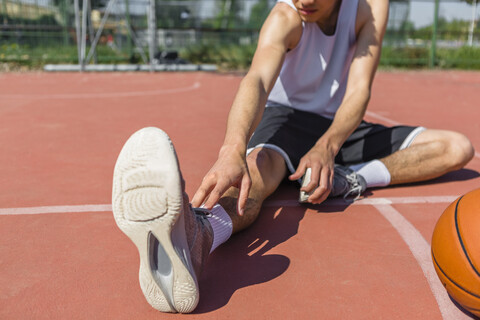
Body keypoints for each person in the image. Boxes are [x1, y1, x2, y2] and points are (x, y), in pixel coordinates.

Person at [112, 0, 474, 313]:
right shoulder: (285, 16)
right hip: (285, 117)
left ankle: (353, 178)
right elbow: (256, 80)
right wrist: (232, 148)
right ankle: (198, 236)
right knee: (254, 170)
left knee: (457, 148)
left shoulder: (370, 8)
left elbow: (359, 90)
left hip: (339, 125)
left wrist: (327, 147)